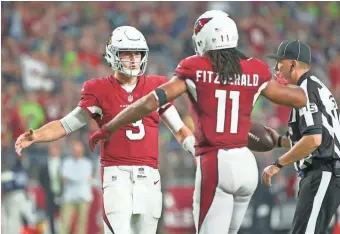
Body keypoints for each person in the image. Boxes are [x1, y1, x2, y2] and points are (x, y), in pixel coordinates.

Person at [88, 10, 307, 234]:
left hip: (216, 162)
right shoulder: (255, 68)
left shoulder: (195, 67)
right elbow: (299, 98)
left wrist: (110, 127)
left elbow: (148, 103)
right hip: (247, 165)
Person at [15, 26, 194, 234]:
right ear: (113, 55)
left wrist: (196, 150)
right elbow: (66, 124)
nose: (134, 59)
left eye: (137, 53)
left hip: (149, 177)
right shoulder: (98, 89)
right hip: (116, 175)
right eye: (127, 53)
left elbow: (180, 130)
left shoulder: (155, 86)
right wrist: (36, 135)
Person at [261, 39, 340, 234]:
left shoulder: (305, 90)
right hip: (324, 171)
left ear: (293, 64)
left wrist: (277, 164)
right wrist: (280, 141)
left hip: (322, 171)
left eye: (280, 62)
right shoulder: (315, 85)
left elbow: (314, 140)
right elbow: (316, 135)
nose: (277, 67)